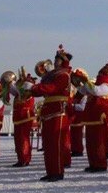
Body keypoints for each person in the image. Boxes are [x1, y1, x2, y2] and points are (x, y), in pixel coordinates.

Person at [25, 45, 73, 182]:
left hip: (59, 110)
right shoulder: (53, 75)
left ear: (63, 61)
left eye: (58, 59)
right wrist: (30, 89)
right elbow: (42, 90)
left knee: (56, 144)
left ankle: (57, 172)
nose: (55, 62)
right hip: (50, 110)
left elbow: (52, 88)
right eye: (55, 59)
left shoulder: (64, 74)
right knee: (48, 144)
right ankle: (51, 171)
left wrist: (34, 87)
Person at [78, 63, 108, 173]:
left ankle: (100, 164)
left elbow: (96, 91)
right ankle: (93, 163)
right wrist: (78, 82)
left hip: (99, 117)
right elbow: (83, 91)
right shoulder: (97, 84)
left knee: (98, 141)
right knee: (90, 143)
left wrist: (86, 81)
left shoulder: (106, 85)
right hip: (92, 116)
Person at [9, 72, 36, 167]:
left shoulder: (28, 92)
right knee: (18, 139)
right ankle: (21, 158)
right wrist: (10, 83)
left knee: (23, 139)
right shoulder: (19, 93)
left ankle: (25, 159)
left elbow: (18, 90)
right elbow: (13, 90)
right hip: (19, 117)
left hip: (25, 117)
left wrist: (13, 83)